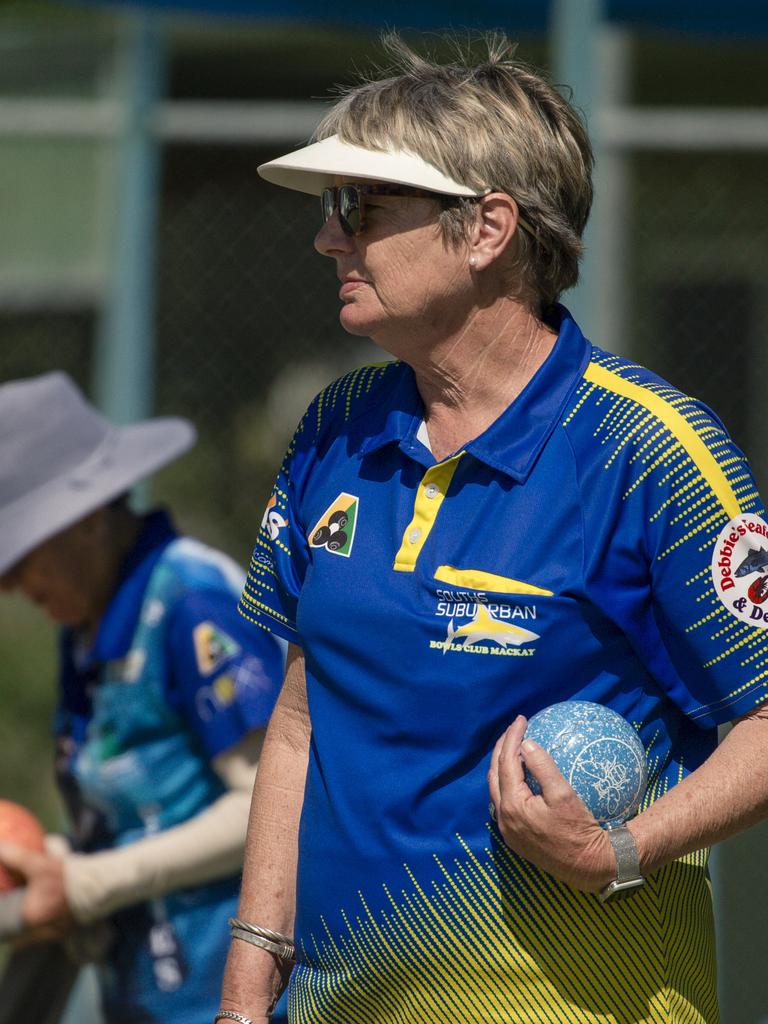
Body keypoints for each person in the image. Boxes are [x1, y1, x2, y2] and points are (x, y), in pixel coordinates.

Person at [219, 34, 768, 1024]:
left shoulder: (651, 451)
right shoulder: (335, 428)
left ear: (486, 230)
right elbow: (300, 724)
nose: (327, 239)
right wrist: (247, 987)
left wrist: (621, 852)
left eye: (363, 209)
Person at [0, 371, 285, 1024]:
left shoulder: (193, 603)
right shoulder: (84, 626)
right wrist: (55, 867)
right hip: (143, 996)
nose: (8, 582)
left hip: (238, 1001)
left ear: (91, 518)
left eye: (19, 552)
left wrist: (89, 885)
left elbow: (269, 805)